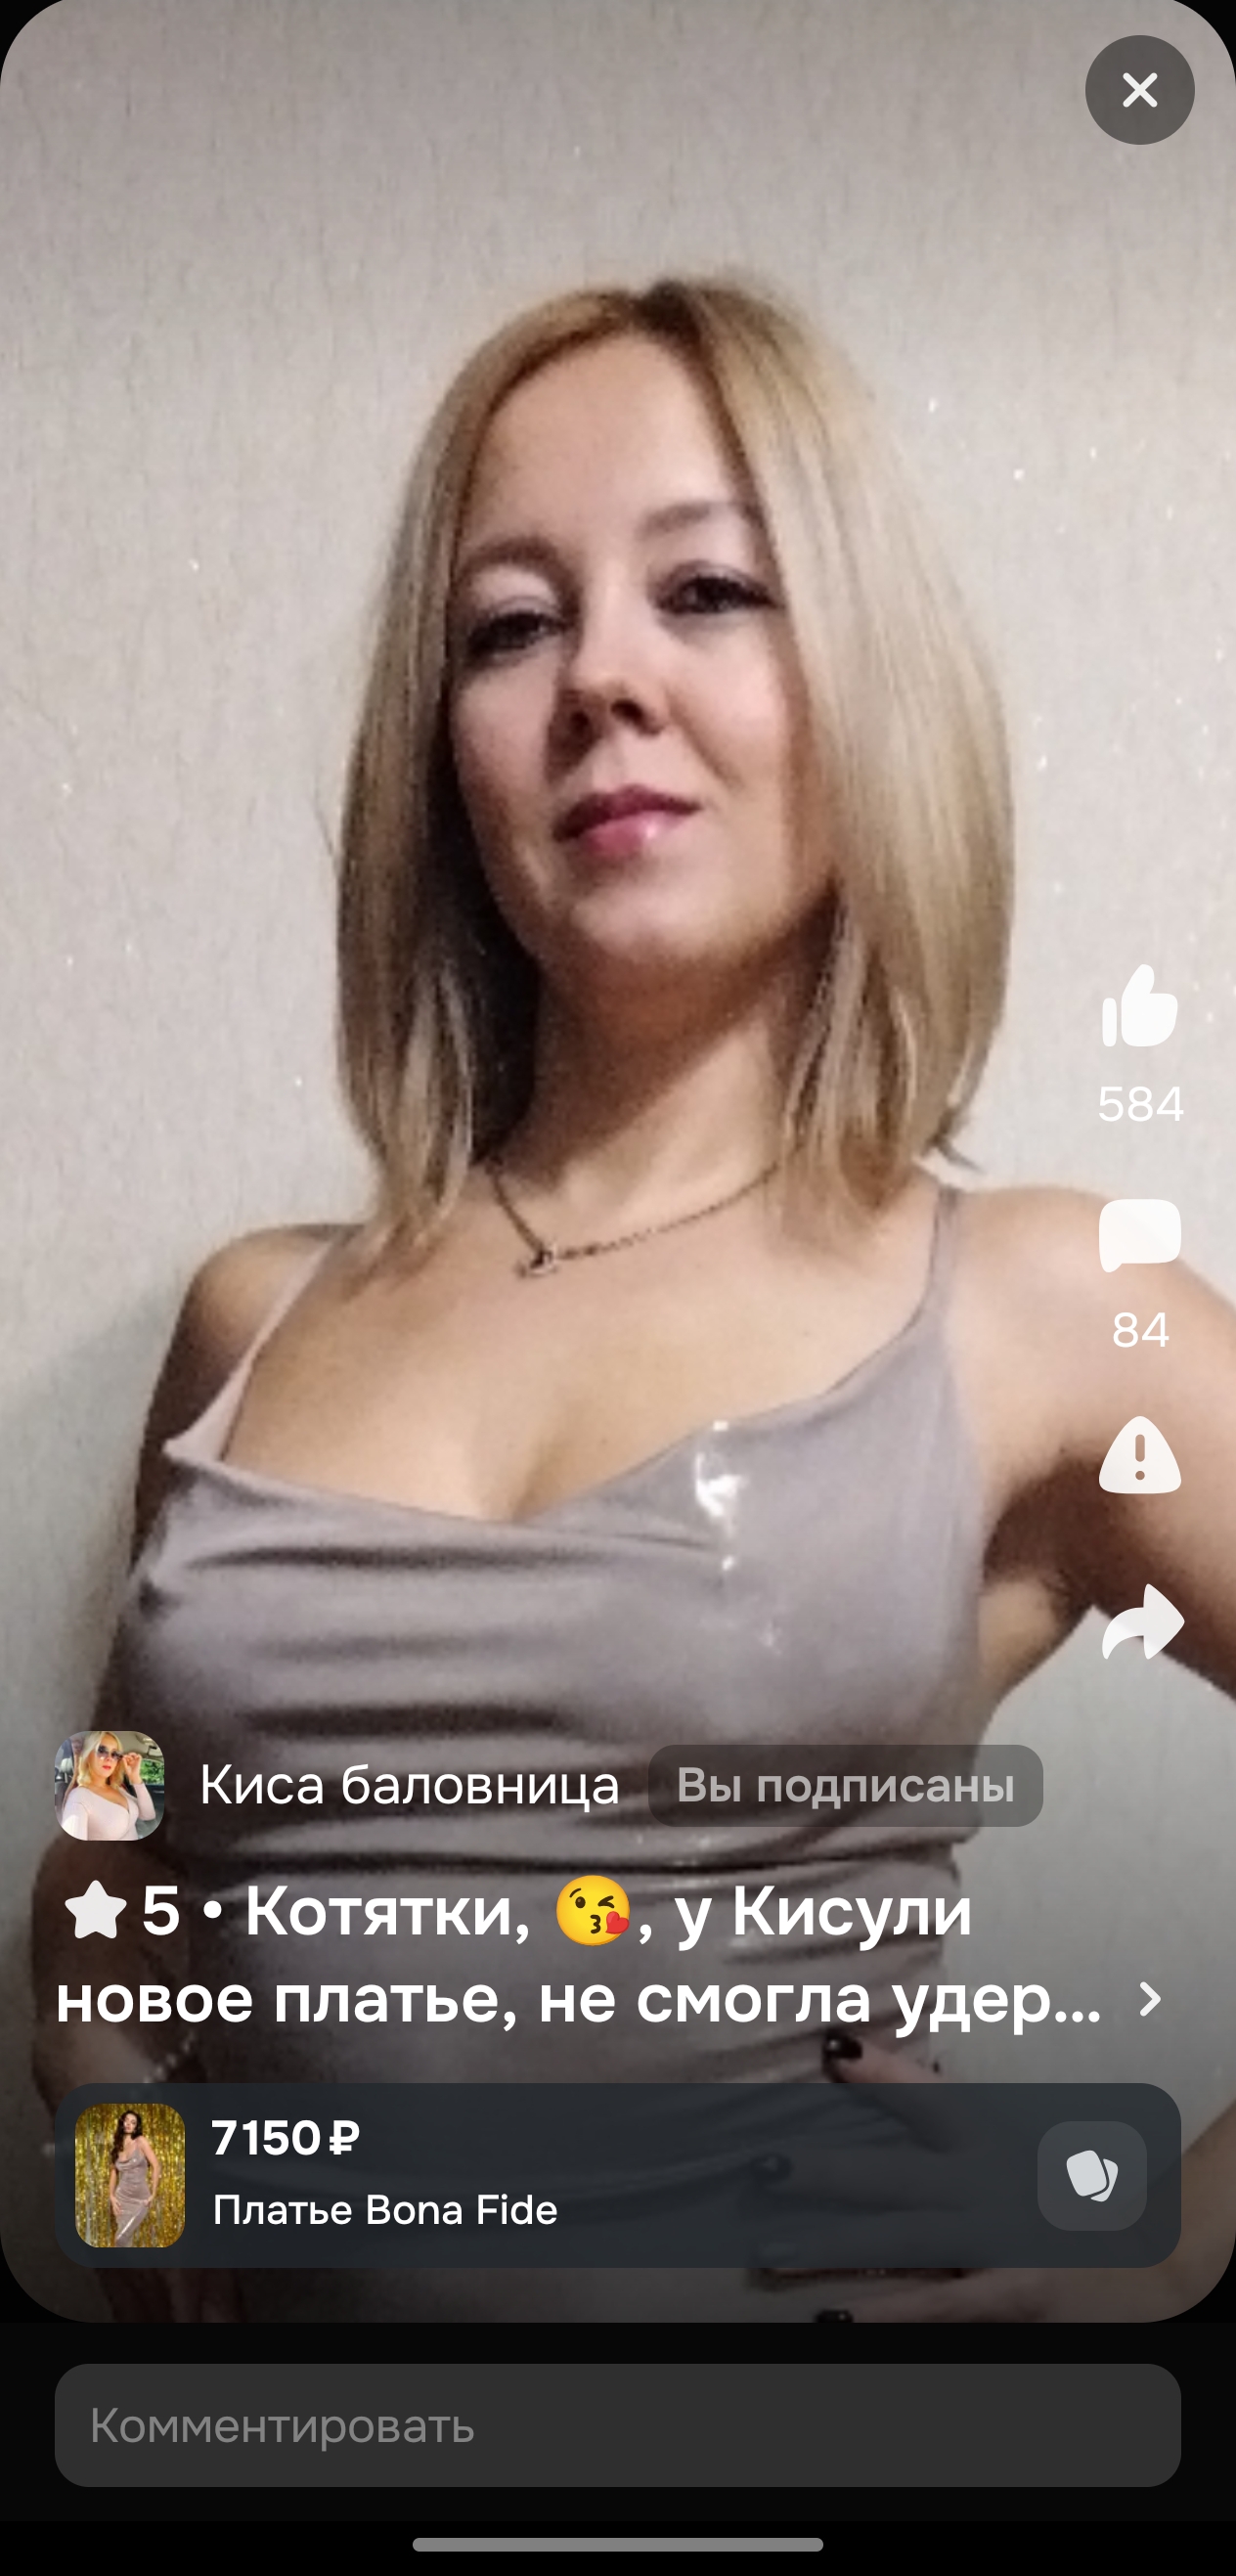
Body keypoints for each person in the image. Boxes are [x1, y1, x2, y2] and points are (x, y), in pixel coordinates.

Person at [35, 277, 1236, 2324]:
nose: (599, 675)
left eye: (706, 591)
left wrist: (1130, 2251)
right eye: (508, 626)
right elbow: (107, 1869)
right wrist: (128, 2185)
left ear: (856, 682)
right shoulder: (255, 1322)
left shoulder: (1036, 1306)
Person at [60, 1733, 156, 1843]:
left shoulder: (118, 1789)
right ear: (87, 1755)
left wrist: (135, 1778)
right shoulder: (78, 1798)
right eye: (101, 1750)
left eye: (115, 1754)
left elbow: (148, 1815)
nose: (109, 1758)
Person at [109, 2110, 159, 2246]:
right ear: (122, 2122)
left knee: (121, 2238)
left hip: (140, 2199)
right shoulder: (117, 2146)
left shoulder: (140, 2141)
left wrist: (153, 2193)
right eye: (127, 2121)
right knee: (124, 2241)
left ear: (136, 2127)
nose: (129, 2124)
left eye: (133, 2122)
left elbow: (156, 2165)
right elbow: (113, 2173)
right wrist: (112, 2197)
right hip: (121, 2199)